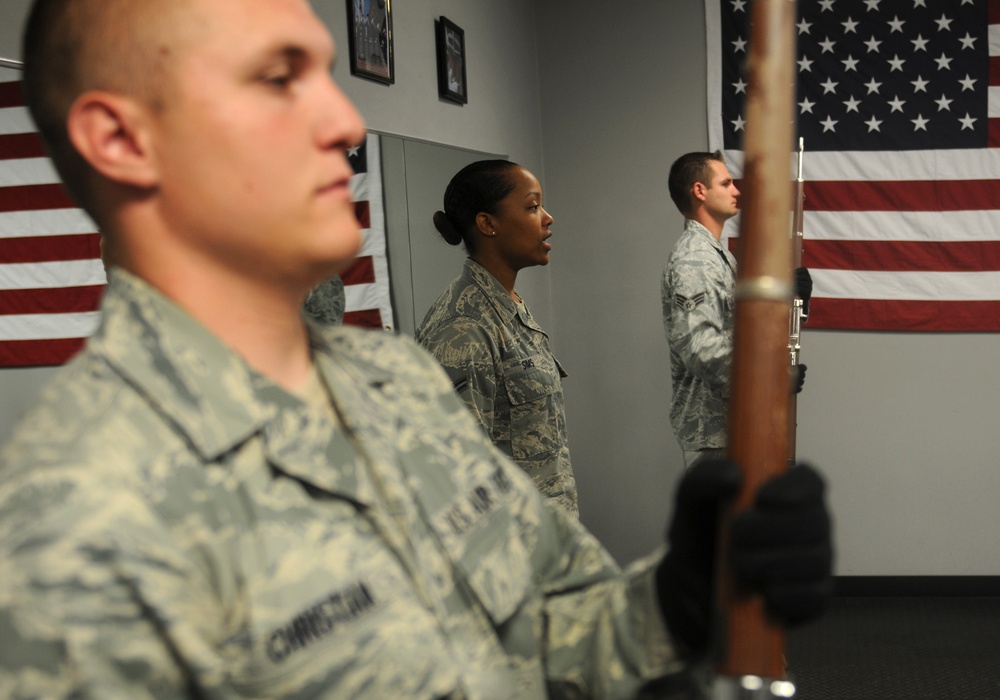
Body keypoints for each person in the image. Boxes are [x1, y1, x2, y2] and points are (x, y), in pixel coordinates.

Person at [0, 2, 832, 697]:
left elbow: (550, 625)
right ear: (121, 140)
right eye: (277, 80)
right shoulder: (74, 527)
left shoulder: (390, 382)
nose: (339, 122)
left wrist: (677, 597)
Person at [415, 161, 578, 516]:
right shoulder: (464, 328)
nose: (547, 218)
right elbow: (456, 478)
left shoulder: (503, 303)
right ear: (488, 224)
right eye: (533, 207)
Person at [662, 151, 812, 468]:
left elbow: (743, 333)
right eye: (726, 183)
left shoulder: (720, 258)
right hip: (714, 435)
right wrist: (770, 379)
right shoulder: (696, 259)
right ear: (700, 191)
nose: (736, 190)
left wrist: (793, 303)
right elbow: (700, 348)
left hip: (735, 428)